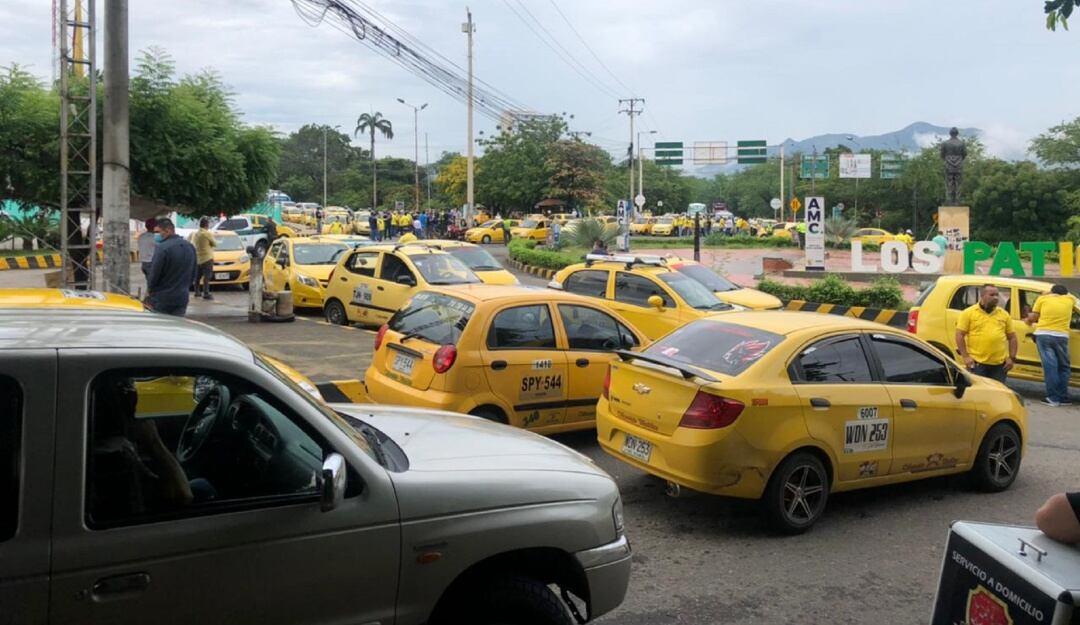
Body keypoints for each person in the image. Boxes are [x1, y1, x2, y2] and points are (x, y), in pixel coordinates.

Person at [955, 284, 1017, 384]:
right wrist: (965, 357)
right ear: (982, 296)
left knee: (996, 393)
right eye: (991, 295)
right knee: (978, 393)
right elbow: (959, 335)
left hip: (999, 365)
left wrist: (1012, 358)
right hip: (977, 364)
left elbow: (1012, 338)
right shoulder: (969, 313)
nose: (995, 298)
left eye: (997, 295)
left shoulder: (1004, 314)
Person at [1026, 284, 1073, 406]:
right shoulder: (1070, 300)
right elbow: (1069, 295)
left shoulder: (1043, 299)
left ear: (1051, 292)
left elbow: (1034, 317)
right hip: (1062, 336)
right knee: (1064, 367)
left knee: (1051, 367)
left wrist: (1027, 321)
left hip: (1044, 335)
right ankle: (1063, 397)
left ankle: (1053, 398)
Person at [146, 217, 197, 316]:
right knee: (178, 326)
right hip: (182, 297)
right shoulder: (190, 247)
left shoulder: (162, 248)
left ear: (168, 230)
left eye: (158, 232)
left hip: (162, 298)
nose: (157, 235)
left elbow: (154, 274)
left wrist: (150, 291)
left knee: (163, 326)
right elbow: (194, 272)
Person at [191, 217, 217, 300]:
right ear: (207, 225)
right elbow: (215, 243)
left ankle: (197, 292)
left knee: (197, 276)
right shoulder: (207, 233)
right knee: (207, 276)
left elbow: (194, 244)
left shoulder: (196, 234)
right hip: (207, 257)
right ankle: (206, 293)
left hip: (199, 258)